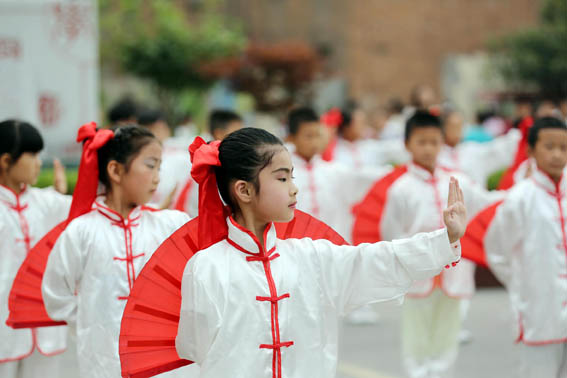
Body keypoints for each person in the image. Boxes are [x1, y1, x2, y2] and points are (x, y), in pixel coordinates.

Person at [174, 127, 467, 378]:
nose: (294, 190)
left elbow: (375, 259)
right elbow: (195, 348)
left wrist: (445, 239)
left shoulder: (311, 257)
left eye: (292, 177)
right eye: (282, 178)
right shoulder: (206, 267)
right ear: (244, 190)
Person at [352, 111, 503, 378]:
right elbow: (391, 232)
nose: (429, 148)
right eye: (421, 142)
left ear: (442, 143)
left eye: (434, 141)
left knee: (448, 334)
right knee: (417, 336)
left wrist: (520, 191)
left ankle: (442, 373)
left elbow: (486, 202)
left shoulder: (457, 181)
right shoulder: (401, 188)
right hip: (417, 274)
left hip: (453, 271)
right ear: (407, 145)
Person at [41, 124, 198, 378]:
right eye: (150, 165)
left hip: (162, 357)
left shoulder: (170, 224)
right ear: (115, 170)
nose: (157, 177)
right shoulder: (81, 231)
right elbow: (55, 293)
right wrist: (91, 320)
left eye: (159, 167)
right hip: (103, 357)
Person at [481, 117, 567, 378]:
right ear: (531, 151)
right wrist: (523, 287)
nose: (557, 154)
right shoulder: (519, 198)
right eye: (549, 146)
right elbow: (497, 251)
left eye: (564, 147)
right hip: (538, 310)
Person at [0, 120, 75, 378]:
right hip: (3, 325)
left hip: (44, 322)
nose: (38, 162)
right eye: (31, 154)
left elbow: (86, 210)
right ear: (6, 160)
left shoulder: (46, 202)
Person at [173, 109, 243, 216]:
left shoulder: (209, 153)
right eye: (238, 133)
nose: (243, 139)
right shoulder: (209, 160)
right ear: (219, 133)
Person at [438, 109, 521, 187]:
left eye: (460, 126)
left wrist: (518, 136)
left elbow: (495, 150)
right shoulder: (438, 156)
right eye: (453, 127)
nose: (457, 131)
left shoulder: (470, 150)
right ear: (443, 128)